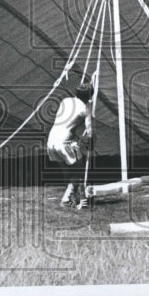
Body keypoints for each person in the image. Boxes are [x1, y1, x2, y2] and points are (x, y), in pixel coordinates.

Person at [46, 80, 94, 209]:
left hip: (52, 141)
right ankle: (67, 198)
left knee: (68, 171)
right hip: (65, 142)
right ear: (90, 96)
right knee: (79, 170)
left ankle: (73, 197)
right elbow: (89, 131)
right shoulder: (86, 109)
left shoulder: (65, 101)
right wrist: (91, 142)